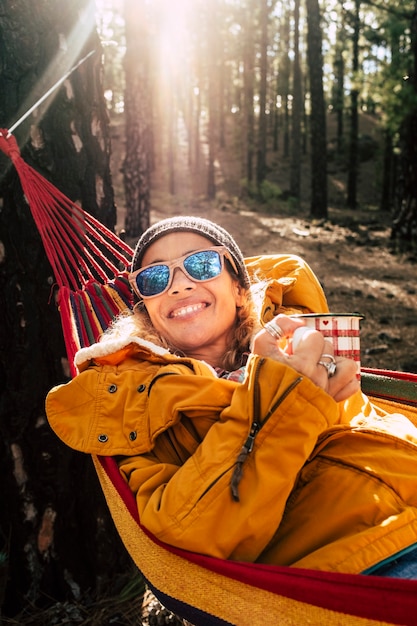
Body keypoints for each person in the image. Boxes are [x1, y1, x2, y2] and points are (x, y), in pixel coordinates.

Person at [46, 216, 417, 578]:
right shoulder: (133, 406)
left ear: (240, 289)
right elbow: (188, 530)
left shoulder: (299, 336)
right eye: (155, 277)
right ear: (146, 311)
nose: (177, 286)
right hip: (366, 562)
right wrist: (284, 395)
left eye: (202, 264)